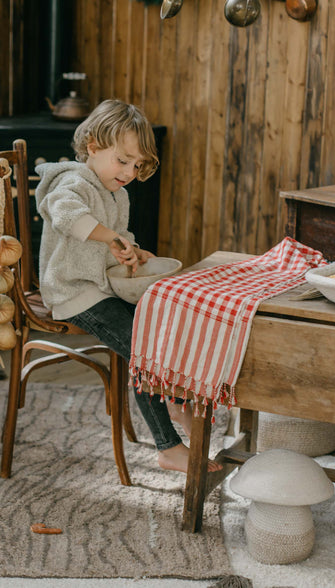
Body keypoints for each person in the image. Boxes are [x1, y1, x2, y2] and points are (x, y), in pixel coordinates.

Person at [35, 98, 221, 474]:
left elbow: (117, 238)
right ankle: (168, 445)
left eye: (137, 165)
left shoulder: (117, 194)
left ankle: (173, 397)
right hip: (73, 292)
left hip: (102, 288)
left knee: (159, 327)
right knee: (142, 351)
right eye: (122, 160)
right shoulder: (73, 182)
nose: (129, 172)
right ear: (92, 147)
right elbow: (67, 215)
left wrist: (131, 251)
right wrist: (110, 240)